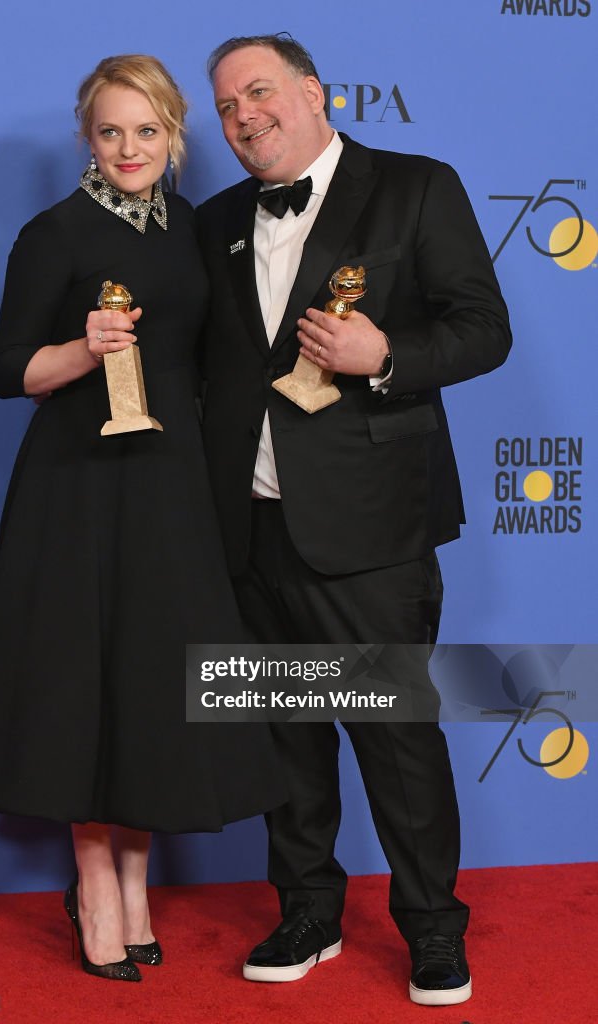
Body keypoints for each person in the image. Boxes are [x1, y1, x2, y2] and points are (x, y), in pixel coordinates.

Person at [0, 54, 285, 984]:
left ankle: (135, 881)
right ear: (85, 138)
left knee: (146, 683)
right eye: (109, 131)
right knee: (81, 683)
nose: (128, 148)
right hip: (79, 487)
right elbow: (8, 369)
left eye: (146, 130)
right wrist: (77, 348)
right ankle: (95, 884)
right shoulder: (52, 233)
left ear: (173, 135)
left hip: (173, 485)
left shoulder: (194, 230)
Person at [196, 34, 512, 1006]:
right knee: (284, 738)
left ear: (311, 92)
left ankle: (428, 928)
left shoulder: (414, 186)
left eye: (257, 92)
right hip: (247, 530)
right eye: (224, 107)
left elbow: (481, 328)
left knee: (394, 736)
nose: (243, 116)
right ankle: (307, 908)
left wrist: (384, 352)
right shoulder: (213, 223)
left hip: (369, 529)